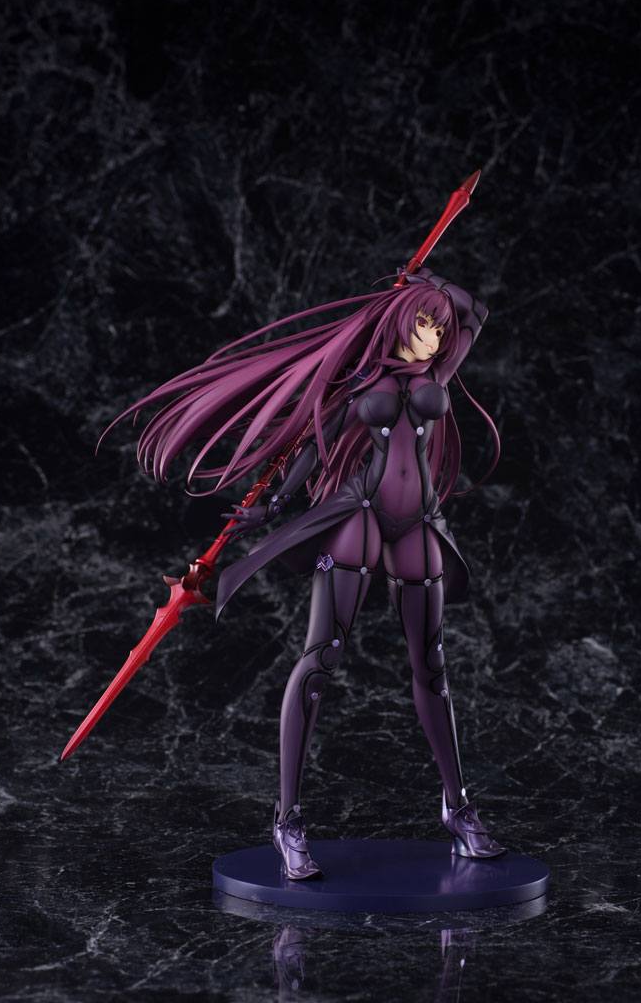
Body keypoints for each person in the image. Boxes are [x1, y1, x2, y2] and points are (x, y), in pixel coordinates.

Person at [110, 266, 506, 879]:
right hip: (360, 515)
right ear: (398, 323)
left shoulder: (438, 374)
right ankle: (287, 820)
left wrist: (429, 284)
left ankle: (458, 809)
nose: (434, 337)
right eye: (424, 324)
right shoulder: (359, 384)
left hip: (420, 524)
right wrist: (271, 506)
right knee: (321, 658)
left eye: (438, 328)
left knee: (431, 665)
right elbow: (315, 447)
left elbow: (474, 312)